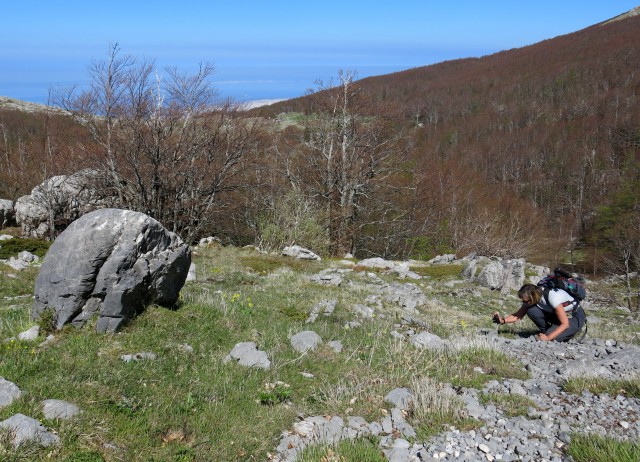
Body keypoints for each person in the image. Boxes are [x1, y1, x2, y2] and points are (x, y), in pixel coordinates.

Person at [492, 283, 586, 342]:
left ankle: (572, 332)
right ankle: (548, 332)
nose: (524, 303)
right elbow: (518, 315)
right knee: (531, 309)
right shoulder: (532, 298)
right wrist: (502, 321)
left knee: (552, 338)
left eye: (526, 301)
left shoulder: (553, 297)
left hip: (573, 317)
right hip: (558, 315)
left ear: (533, 297)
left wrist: (548, 338)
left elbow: (565, 324)